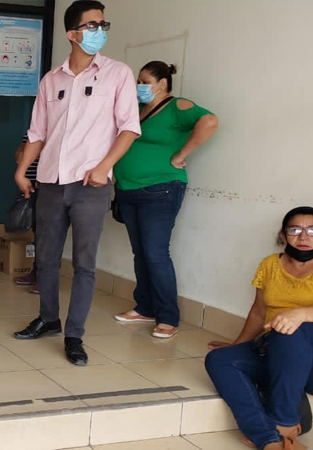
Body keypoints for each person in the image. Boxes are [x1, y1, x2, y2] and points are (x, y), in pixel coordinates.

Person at [12, 0, 141, 366]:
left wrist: (105, 166)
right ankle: (48, 319)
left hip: (91, 184)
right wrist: (23, 169)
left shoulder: (118, 73)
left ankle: (74, 336)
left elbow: (129, 127)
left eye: (103, 24)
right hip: (51, 181)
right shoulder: (52, 79)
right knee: (47, 259)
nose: (99, 31)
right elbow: (38, 132)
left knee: (84, 263)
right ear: (72, 34)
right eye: (91, 25)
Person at [112, 61, 219, 339]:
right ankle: (145, 307)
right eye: (138, 80)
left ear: (162, 83)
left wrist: (181, 155)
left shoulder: (177, 106)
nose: (139, 86)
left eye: (145, 81)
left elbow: (209, 121)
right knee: (140, 251)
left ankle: (168, 317)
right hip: (128, 188)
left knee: (156, 252)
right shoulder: (136, 109)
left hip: (160, 189)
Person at [205, 207, 313, 450]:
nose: (304, 237)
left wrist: (302, 314)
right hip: (276, 351)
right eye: (295, 230)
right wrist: (238, 345)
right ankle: (268, 438)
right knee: (219, 360)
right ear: (283, 235)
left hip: (310, 358)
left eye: (312, 230)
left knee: (289, 330)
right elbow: (258, 312)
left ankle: (284, 421)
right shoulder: (270, 265)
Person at [13, 134, 40, 294]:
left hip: (47, 185)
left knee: (48, 234)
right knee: (37, 231)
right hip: (28, 184)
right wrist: (25, 149)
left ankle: (45, 278)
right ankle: (36, 272)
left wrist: (30, 149)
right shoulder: (29, 132)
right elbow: (18, 156)